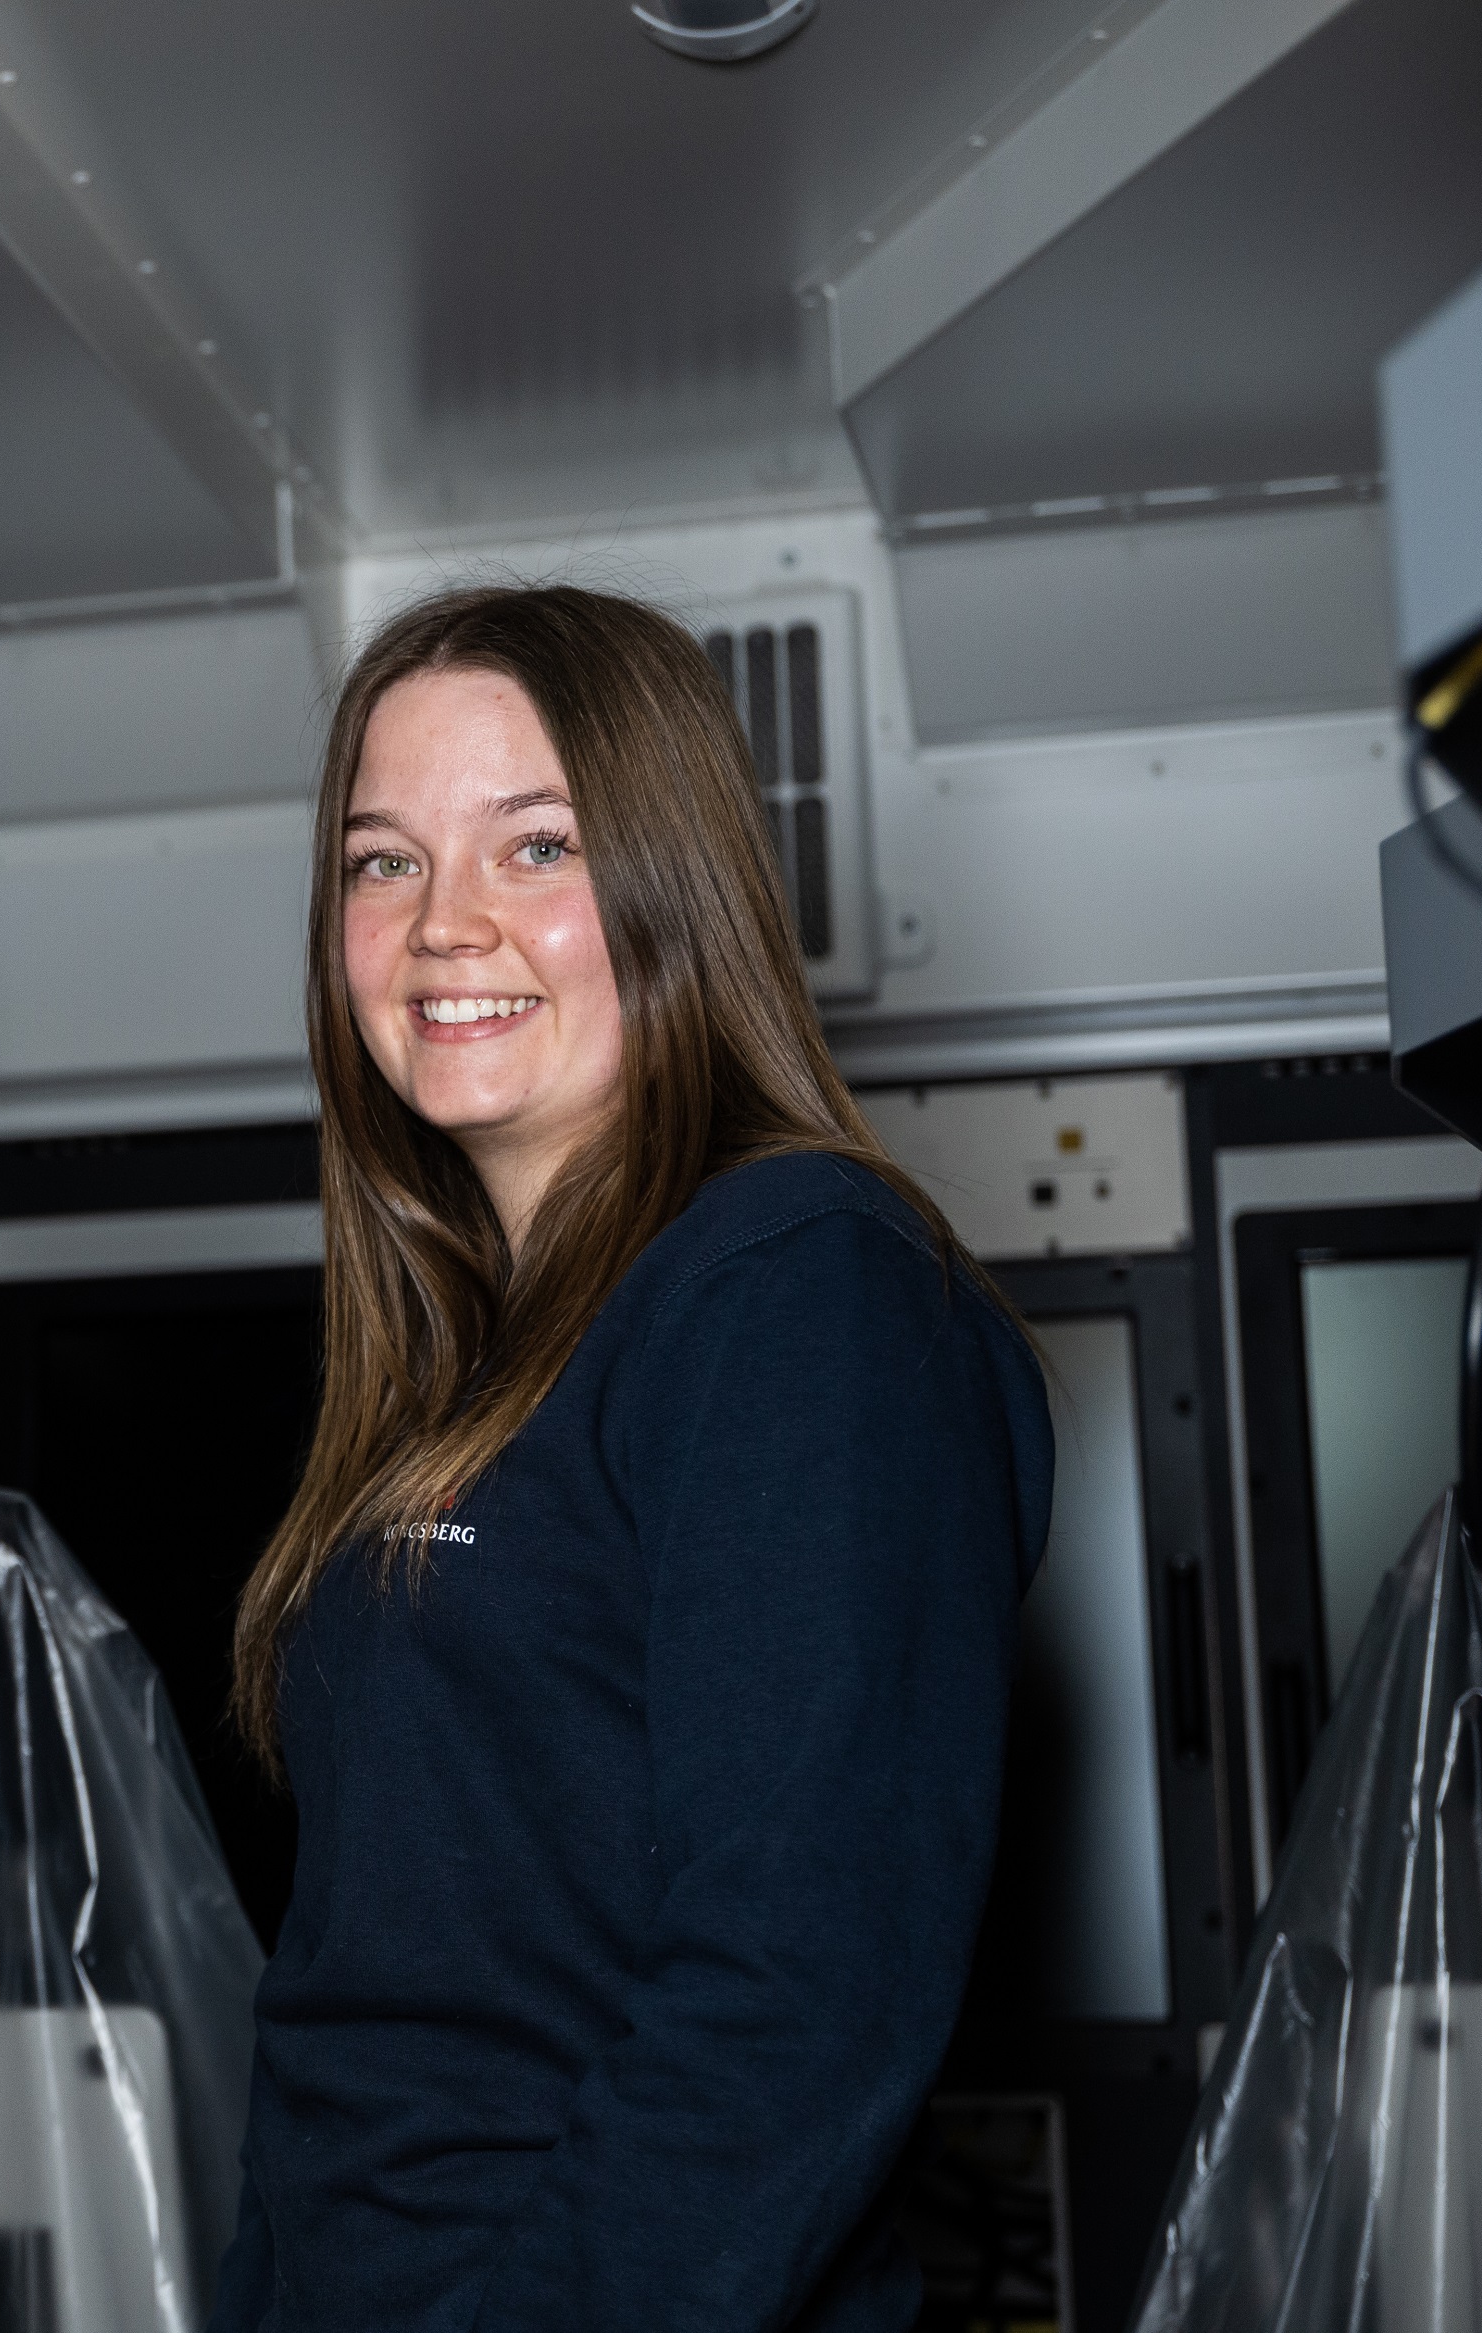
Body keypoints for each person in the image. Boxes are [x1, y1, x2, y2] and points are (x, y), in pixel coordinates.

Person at [208, 584, 1052, 2332]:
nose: (443, 923)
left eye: (537, 845)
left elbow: (795, 1996)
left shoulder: (802, 1284)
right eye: (381, 862)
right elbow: (352, 2014)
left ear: (678, 883)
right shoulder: (458, 1357)